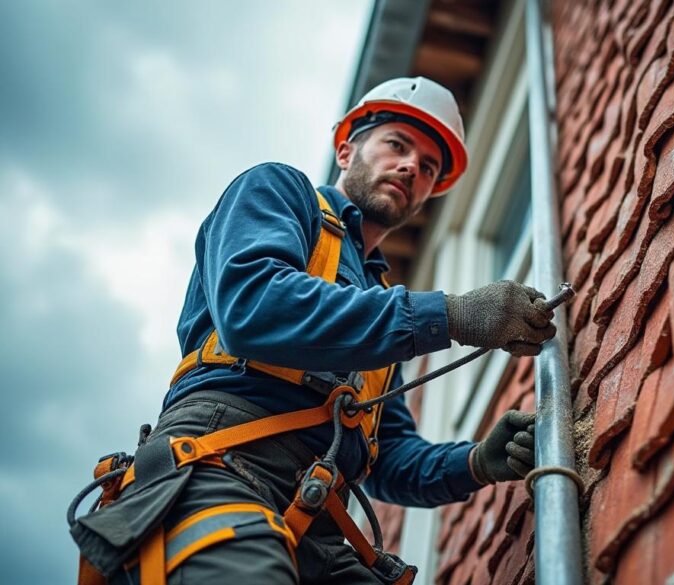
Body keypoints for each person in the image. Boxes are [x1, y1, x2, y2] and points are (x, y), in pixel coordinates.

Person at [69, 77, 556, 585]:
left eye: (429, 167)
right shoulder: (279, 193)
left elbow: (389, 458)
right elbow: (255, 308)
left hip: (320, 526)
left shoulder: (379, 308)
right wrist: (450, 315)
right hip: (221, 462)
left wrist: (476, 461)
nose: (413, 166)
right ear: (346, 151)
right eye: (397, 145)